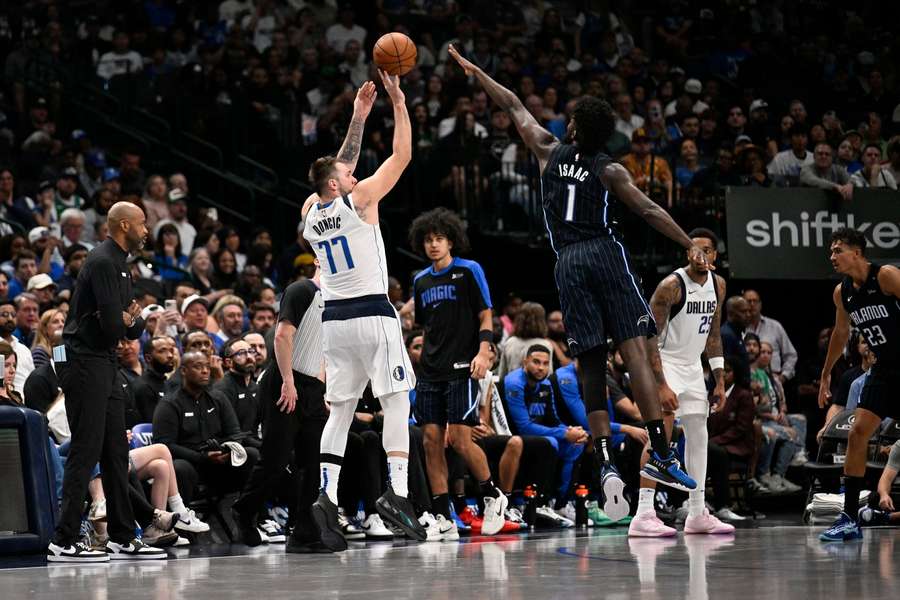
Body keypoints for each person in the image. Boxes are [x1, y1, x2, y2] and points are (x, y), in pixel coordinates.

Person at [449, 45, 701, 515]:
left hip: (566, 261)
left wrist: (477, 70)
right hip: (604, 253)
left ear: (576, 127)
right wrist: (690, 242)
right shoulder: (610, 169)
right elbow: (647, 209)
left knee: (588, 363)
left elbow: (513, 105)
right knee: (633, 351)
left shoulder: (547, 150)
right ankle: (663, 452)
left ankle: (603, 459)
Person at [301, 74, 426, 550]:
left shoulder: (312, 212)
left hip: (335, 321)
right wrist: (396, 103)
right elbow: (403, 156)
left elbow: (338, 168)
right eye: (349, 177)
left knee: (342, 410)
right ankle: (398, 493)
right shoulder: (361, 201)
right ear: (340, 184)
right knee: (396, 401)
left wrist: (357, 114)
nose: (356, 176)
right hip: (374, 315)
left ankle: (326, 497)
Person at [48, 201, 166, 562]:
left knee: (116, 450)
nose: (148, 231)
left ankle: (121, 535)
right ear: (125, 225)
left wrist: (126, 320)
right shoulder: (101, 261)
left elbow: (135, 324)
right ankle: (63, 540)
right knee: (86, 448)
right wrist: (124, 320)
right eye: (143, 224)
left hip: (104, 362)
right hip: (83, 362)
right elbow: (119, 327)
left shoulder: (121, 266)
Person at [406, 207, 507, 539]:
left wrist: (483, 351)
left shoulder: (469, 270)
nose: (433, 245)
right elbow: (425, 324)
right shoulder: (420, 280)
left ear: (451, 241)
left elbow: (486, 315)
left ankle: (492, 494)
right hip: (430, 371)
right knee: (431, 442)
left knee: (462, 441)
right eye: (428, 241)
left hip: (463, 368)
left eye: (439, 239)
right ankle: (442, 515)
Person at [629, 228, 733, 537]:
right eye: (695, 249)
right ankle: (643, 514)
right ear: (687, 254)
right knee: (661, 432)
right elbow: (649, 337)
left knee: (699, 434)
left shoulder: (719, 285)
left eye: (707, 250)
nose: (701, 255)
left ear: (715, 256)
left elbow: (713, 334)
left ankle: (698, 511)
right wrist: (660, 384)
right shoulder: (670, 286)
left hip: (692, 367)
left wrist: (718, 379)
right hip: (664, 362)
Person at [233, 264, 330, 552]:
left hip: (313, 386)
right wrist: (288, 381)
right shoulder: (302, 290)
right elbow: (282, 336)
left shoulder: (340, 299)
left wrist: (321, 386)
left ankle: (303, 530)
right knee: (276, 458)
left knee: (314, 461)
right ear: (317, 260)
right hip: (285, 379)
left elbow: (327, 347)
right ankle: (244, 510)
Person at [818, 228, 900, 542]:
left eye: (838, 250)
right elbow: (840, 334)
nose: (832, 256)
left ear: (857, 252)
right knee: (857, 433)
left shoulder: (887, 277)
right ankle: (850, 517)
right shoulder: (843, 293)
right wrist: (827, 372)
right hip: (884, 371)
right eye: (831, 251)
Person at [742, 289, 798, 384]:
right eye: (748, 301)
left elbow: (791, 355)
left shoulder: (775, 326)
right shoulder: (738, 327)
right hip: (747, 381)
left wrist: (783, 377)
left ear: (760, 304)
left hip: (773, 379)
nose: (752, 304)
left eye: (755, 301)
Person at [132, 335, 178, 422]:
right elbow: (153, 422)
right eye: (162, 351)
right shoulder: (143, 387)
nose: (170, 355)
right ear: (148, 358)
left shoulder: (166, 382)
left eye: (171, 351)